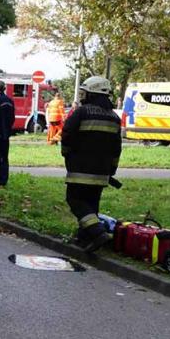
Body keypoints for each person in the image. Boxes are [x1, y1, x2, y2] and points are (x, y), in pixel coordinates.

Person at [61, 76, 121, 253]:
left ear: (92, 93)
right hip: (102, 172)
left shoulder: (82, 112)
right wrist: (112, 169)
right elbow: (117, 148)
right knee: (91, 204)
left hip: (80, 169)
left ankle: (97, 233)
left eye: (85, 93)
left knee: (75, 200)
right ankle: (84, 238)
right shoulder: (114, 117)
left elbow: (67, 134)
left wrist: (66, 154)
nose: (82, 96)